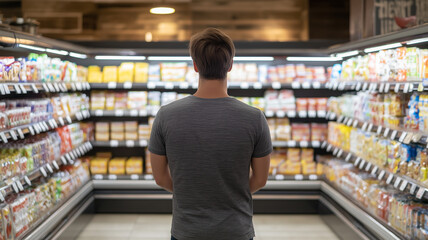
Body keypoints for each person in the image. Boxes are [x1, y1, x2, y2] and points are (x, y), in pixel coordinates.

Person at [149, 27, 272, 240]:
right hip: (236, 231)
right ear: (230, 65)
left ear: (195, 66)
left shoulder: (165, 115)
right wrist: (230, 196)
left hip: (186, 231)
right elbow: (260, 179)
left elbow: (160, 178)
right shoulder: (255, 118)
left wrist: (189, 194)